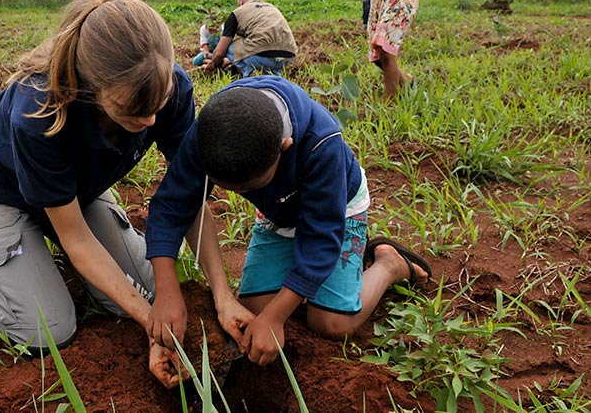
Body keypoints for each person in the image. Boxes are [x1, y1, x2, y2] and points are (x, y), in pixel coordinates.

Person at [0, 0, 247, 388]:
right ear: (92, 87)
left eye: (157, 105)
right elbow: (76, 237)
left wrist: (222, 294)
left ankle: (42, 262)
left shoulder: (170, 87)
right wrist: (150, 321)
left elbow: (191, 194)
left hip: (76, 192)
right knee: (48, 331)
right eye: (131, 110)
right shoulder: (39, 111)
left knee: (156, 287)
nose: (150, 119)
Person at [145, 76, 431, 365]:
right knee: (253, 308)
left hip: (337, 209)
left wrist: (277, 316)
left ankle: (389, 265)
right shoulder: (211, 132)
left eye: (252, 186)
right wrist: (167, 291)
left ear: (284, 147)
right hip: (278, 213)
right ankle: (314, 283)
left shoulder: (322, 143)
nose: (244, 194)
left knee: (332, 324)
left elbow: (321, 237)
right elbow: (170, 206)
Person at [203, 0, 297, 78]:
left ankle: (250, 72)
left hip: (262, 57)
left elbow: (219, 53)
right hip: (288, 57)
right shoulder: (272, 8)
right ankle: (275, 75)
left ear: (241, 0)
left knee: (227, 46)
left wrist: (212, 66)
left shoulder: (237, 13)